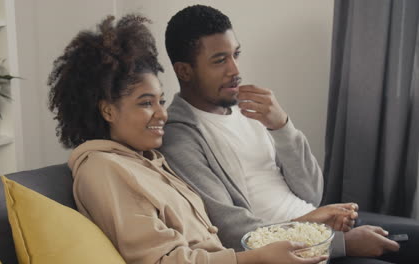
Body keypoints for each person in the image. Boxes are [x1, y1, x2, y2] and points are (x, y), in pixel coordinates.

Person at [48, 14, 331, 264]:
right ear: (108, 110)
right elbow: (162, 260)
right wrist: (255, 257)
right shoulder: (102, 169)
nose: (162, 114)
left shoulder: (148, 162)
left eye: (160, 100)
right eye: (146, 103)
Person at [159, 4, 419, 264]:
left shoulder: (250, 108)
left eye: (235, 54)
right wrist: (340, 244)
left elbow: (313, 192)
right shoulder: (180, 138)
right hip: (294, 251)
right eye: (219, 61)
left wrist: (282, 127)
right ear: (184, 70)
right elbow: (233, 232)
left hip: (320, 226)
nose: (235, 70)